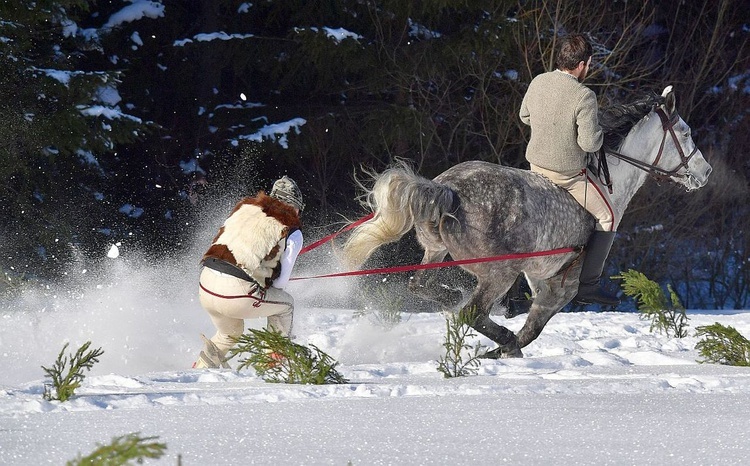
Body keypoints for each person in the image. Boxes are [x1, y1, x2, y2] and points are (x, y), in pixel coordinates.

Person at [519, 33, 619, 306]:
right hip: (567, 176)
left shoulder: (539, 81)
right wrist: (598, 132)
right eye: (588, 64)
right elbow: (589, 143)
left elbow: (524, 116)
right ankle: (589, 285)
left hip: (534, 167)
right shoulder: (584, 96)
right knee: (609, 216)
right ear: (583, 64)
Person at [193, 176, 305, 368]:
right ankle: (272, 363)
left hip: (206, 285)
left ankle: (201, 367)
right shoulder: (293, 232)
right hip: (235, 292)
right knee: (286, 305)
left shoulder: (245, 209)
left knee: (229, 333)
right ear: (294, 207)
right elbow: (280, 284)